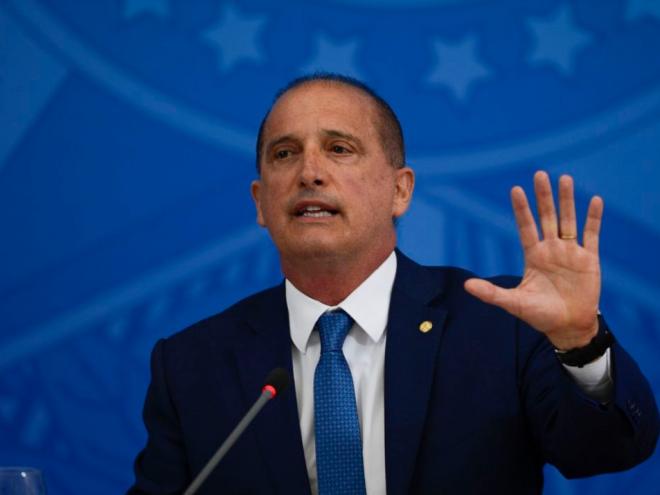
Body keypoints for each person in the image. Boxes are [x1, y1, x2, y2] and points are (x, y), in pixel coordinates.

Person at [128, 73, 659, 495]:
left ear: (400, 191)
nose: (309, 172)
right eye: (284, 154)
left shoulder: (501, 326)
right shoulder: (191, 365)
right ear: (260, 202)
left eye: (339, 148)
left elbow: (609, 450)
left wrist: (580, 343)